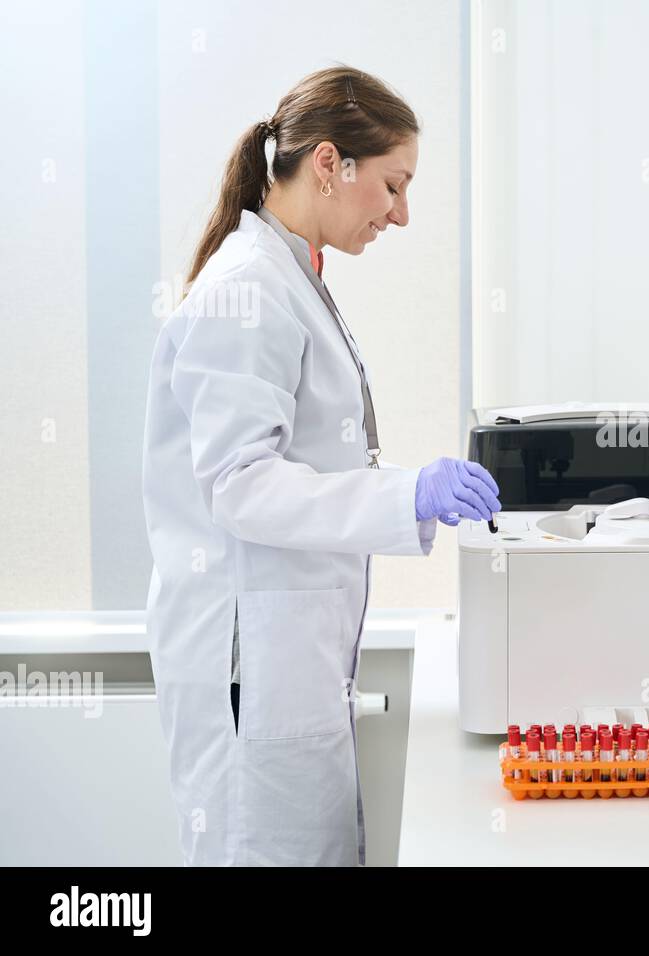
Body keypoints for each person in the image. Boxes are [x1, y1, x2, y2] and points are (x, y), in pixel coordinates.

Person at [141, 66, 499, 866]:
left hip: (286, 663)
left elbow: (304, 457)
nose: (402, 214)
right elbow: (241, 485)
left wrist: (405, 492)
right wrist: (407, 494)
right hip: (250, 671)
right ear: (331, 163)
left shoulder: (288, 276)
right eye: (394, 185)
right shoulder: (250, 289)